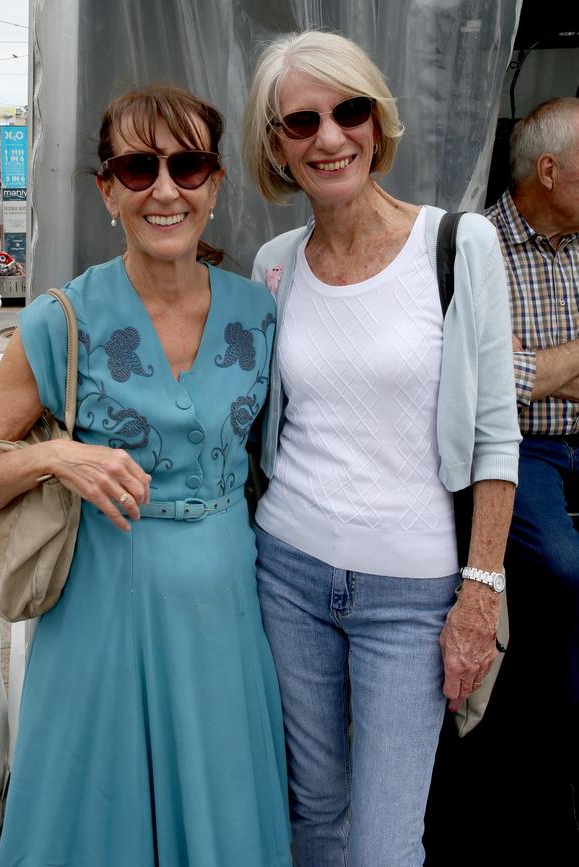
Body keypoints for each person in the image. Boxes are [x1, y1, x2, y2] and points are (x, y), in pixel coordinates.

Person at [0, 84, 291, 867]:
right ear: (107, 190)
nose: (165, 190)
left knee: (222, 816)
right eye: (138, 169)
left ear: (215, 183)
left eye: (188, 165)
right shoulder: (60, 319)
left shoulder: (259, 314)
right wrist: (54, 455)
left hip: (225, 619)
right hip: (98, 621)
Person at [242, 30, 520, 866]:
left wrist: (479, 594)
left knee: (387, 841)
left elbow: (496, 435)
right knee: (312, 815)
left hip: (416, 594)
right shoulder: (273, 265)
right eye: (302, 121)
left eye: (349, 110)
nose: (330, 137)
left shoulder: (458, 246)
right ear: (277, 147)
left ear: (377, 119)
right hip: (286, 573)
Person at [485, 96, 579, 813]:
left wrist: (544, 366)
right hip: (524, 445)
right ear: (548, 171)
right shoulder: (481, 250)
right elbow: (496, 381)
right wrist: (538, 372)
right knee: (561, 561)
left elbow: (530, 370)